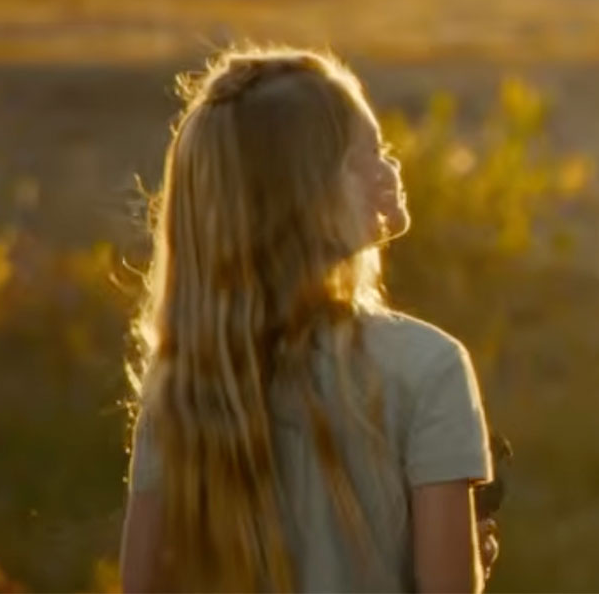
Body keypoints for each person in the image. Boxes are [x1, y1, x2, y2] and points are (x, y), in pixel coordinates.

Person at [118, 46, 500, 591]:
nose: (389, 167)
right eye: (366, 154)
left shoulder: (182, 386)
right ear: (313, 197)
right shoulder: (429, 367)